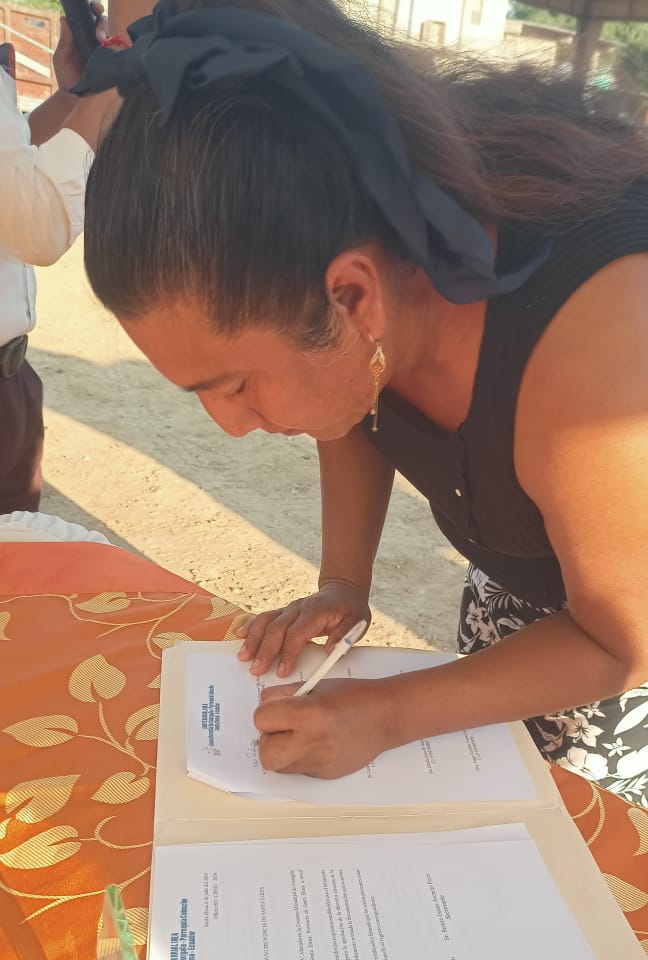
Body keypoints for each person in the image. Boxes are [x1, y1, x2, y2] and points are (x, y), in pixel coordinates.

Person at [78, 0, 648, 804]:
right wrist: (344, 582)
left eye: (236, 385)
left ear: (353, 295)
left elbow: (620, 636)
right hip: (531, 601)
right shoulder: (375, 270)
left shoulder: (603, 354)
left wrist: (388, 713)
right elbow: (352, 394)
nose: (230, 427)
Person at [0, 8, 123, 514]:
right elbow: (39, 223)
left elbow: (12, 169)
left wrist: (76, 98)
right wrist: (117, 75)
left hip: (13, 379)